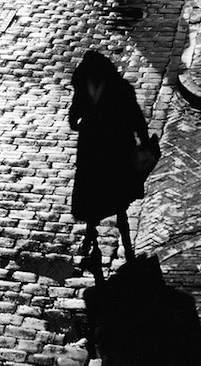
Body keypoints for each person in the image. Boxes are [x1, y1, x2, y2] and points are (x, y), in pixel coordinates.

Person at [69, 50, 150, 273]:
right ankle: (91, 236)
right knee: (92, 195)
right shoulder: (84, 86)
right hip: (92, 152)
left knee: (118, 199)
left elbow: (136, 119)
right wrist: (77, 121)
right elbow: (74, 114)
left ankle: (125, 243)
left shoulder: (120, 90)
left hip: (115, 152)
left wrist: (144, 142)